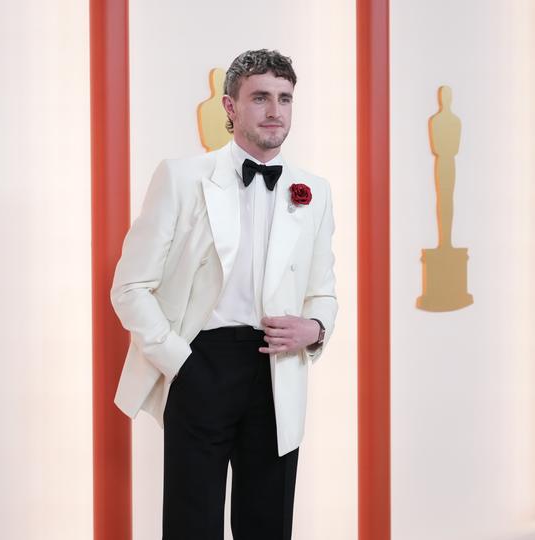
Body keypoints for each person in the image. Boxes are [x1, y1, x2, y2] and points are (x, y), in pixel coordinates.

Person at [110, 49, 338, 539]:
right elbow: (129, 287)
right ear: (230, 107)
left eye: (285, 98)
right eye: (260, 98)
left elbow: (324, 292)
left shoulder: (314, 190)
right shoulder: (181, 177)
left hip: (278, 369)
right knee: (192, 523)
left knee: (268, 523)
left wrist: (315, 328)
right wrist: (180, 362)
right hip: (202, 363)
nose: (275, 110)